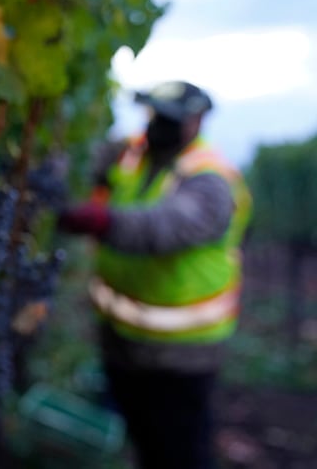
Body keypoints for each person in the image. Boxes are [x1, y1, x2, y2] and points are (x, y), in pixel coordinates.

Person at [58, 80, 252, 469]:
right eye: (154, 115)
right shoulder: (132, 155)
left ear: (196, 122)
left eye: (169, 119)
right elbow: (77, 160)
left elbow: (164, 226)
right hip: (122, 340)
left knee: (180, 453)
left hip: (181, 354)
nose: (156, 125)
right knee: (146, 444)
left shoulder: (210, 179)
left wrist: (100, 220)